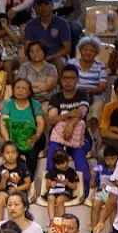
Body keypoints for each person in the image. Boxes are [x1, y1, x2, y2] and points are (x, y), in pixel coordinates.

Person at [47, 64, 91, 195]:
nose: (68, 81)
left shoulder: (83, 95)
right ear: (61, 80)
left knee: (82, 165)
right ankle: (53, 191)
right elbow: (52, 120)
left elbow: (81, 112)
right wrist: (69, 114)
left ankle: (84, 192)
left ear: (77, 79)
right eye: (65, 78)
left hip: (79, 137)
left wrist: (70, 124)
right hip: (58, 137)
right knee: (52, 160)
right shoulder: (55, 97)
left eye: (71, 78)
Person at [0, 78, 45, 178]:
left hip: (31, 139)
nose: (20, 90)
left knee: (32, 153)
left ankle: (29, 181)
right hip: (13, 139)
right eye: (17, 88)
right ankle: (15, 180)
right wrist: (8, 141)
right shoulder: (8, 104)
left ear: (29, 92)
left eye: (24, 88)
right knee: (12, 153)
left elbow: (40, 123)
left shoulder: (35, 105)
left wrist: (36, 137)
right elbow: (3, 124)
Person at [68, 36, 107, 149]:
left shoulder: (100, 66)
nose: (88, 52)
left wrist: (90, 90)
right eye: (85, 49)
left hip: (95, 95)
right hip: (74, 93)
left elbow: (102, 86)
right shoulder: (71, 63)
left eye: (91, 50)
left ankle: (88, 135)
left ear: (96, 53)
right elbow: (65, 80)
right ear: (80, 50)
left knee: (96, 107)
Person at [24, 0, 72, 75]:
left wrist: (50, 57)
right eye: (40, 5)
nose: (43, 8)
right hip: (35, 57)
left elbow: (67, 49)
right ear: (36, 8)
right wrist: (37, 57)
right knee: (23, 62)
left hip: (55, 57)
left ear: (52, 6)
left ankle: (61, 87)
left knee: (61, 62)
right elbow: (27, 48)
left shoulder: (62, 23)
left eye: (46, 4)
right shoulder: (30, 24)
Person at [0, 141, 32, 224]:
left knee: (15, 201)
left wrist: (16, 189)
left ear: (17, 154)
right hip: (6, 191)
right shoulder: (0, 169)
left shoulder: (23, 166)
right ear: (3, 155)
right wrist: (4, 179)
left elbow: (28, 184)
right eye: (7, 153)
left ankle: (15, 225)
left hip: (20, 192)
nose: (10, 155)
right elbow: (1, 187)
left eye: (13, 152)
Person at [90, 146, 118, 233]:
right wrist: (93, 176)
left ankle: (112, 232)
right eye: (107, 159)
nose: (110, 161)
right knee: (95, 204)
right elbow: (92, 185)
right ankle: (94, 232)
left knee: (112, 205)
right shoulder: (99, 167)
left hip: (112, 194)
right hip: (101, 192)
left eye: (112, 158)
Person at [17, 40, 58, 108]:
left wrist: (29, 87)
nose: (35, 53)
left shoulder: (51, 67)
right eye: (32, 52)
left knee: (45, 108)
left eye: (38, 50)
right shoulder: (24, 67)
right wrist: (38, 84)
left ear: (43, 51)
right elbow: (20, 85)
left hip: (46, 100)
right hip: (27, 99)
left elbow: (47, 87)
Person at [44, 149, 80, 221]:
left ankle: (61, 220)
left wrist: (67, 183)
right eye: (58, 164)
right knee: (50, 198)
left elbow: (74, 186)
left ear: (67, 161)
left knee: (59, 200)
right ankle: (51, 220)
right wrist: (50, 184)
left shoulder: (71, 172)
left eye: (63, 163)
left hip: (65, 193)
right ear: (54, 164)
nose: (61, 166)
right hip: (53, 191)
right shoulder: (52, 171)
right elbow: (47, 186)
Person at [99, 78, 118, 152]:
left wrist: (113, 129)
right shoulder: (108, 107)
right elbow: (103, 132)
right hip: (115, 141)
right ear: (115, 93)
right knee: (101, 153)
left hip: (115, 139)